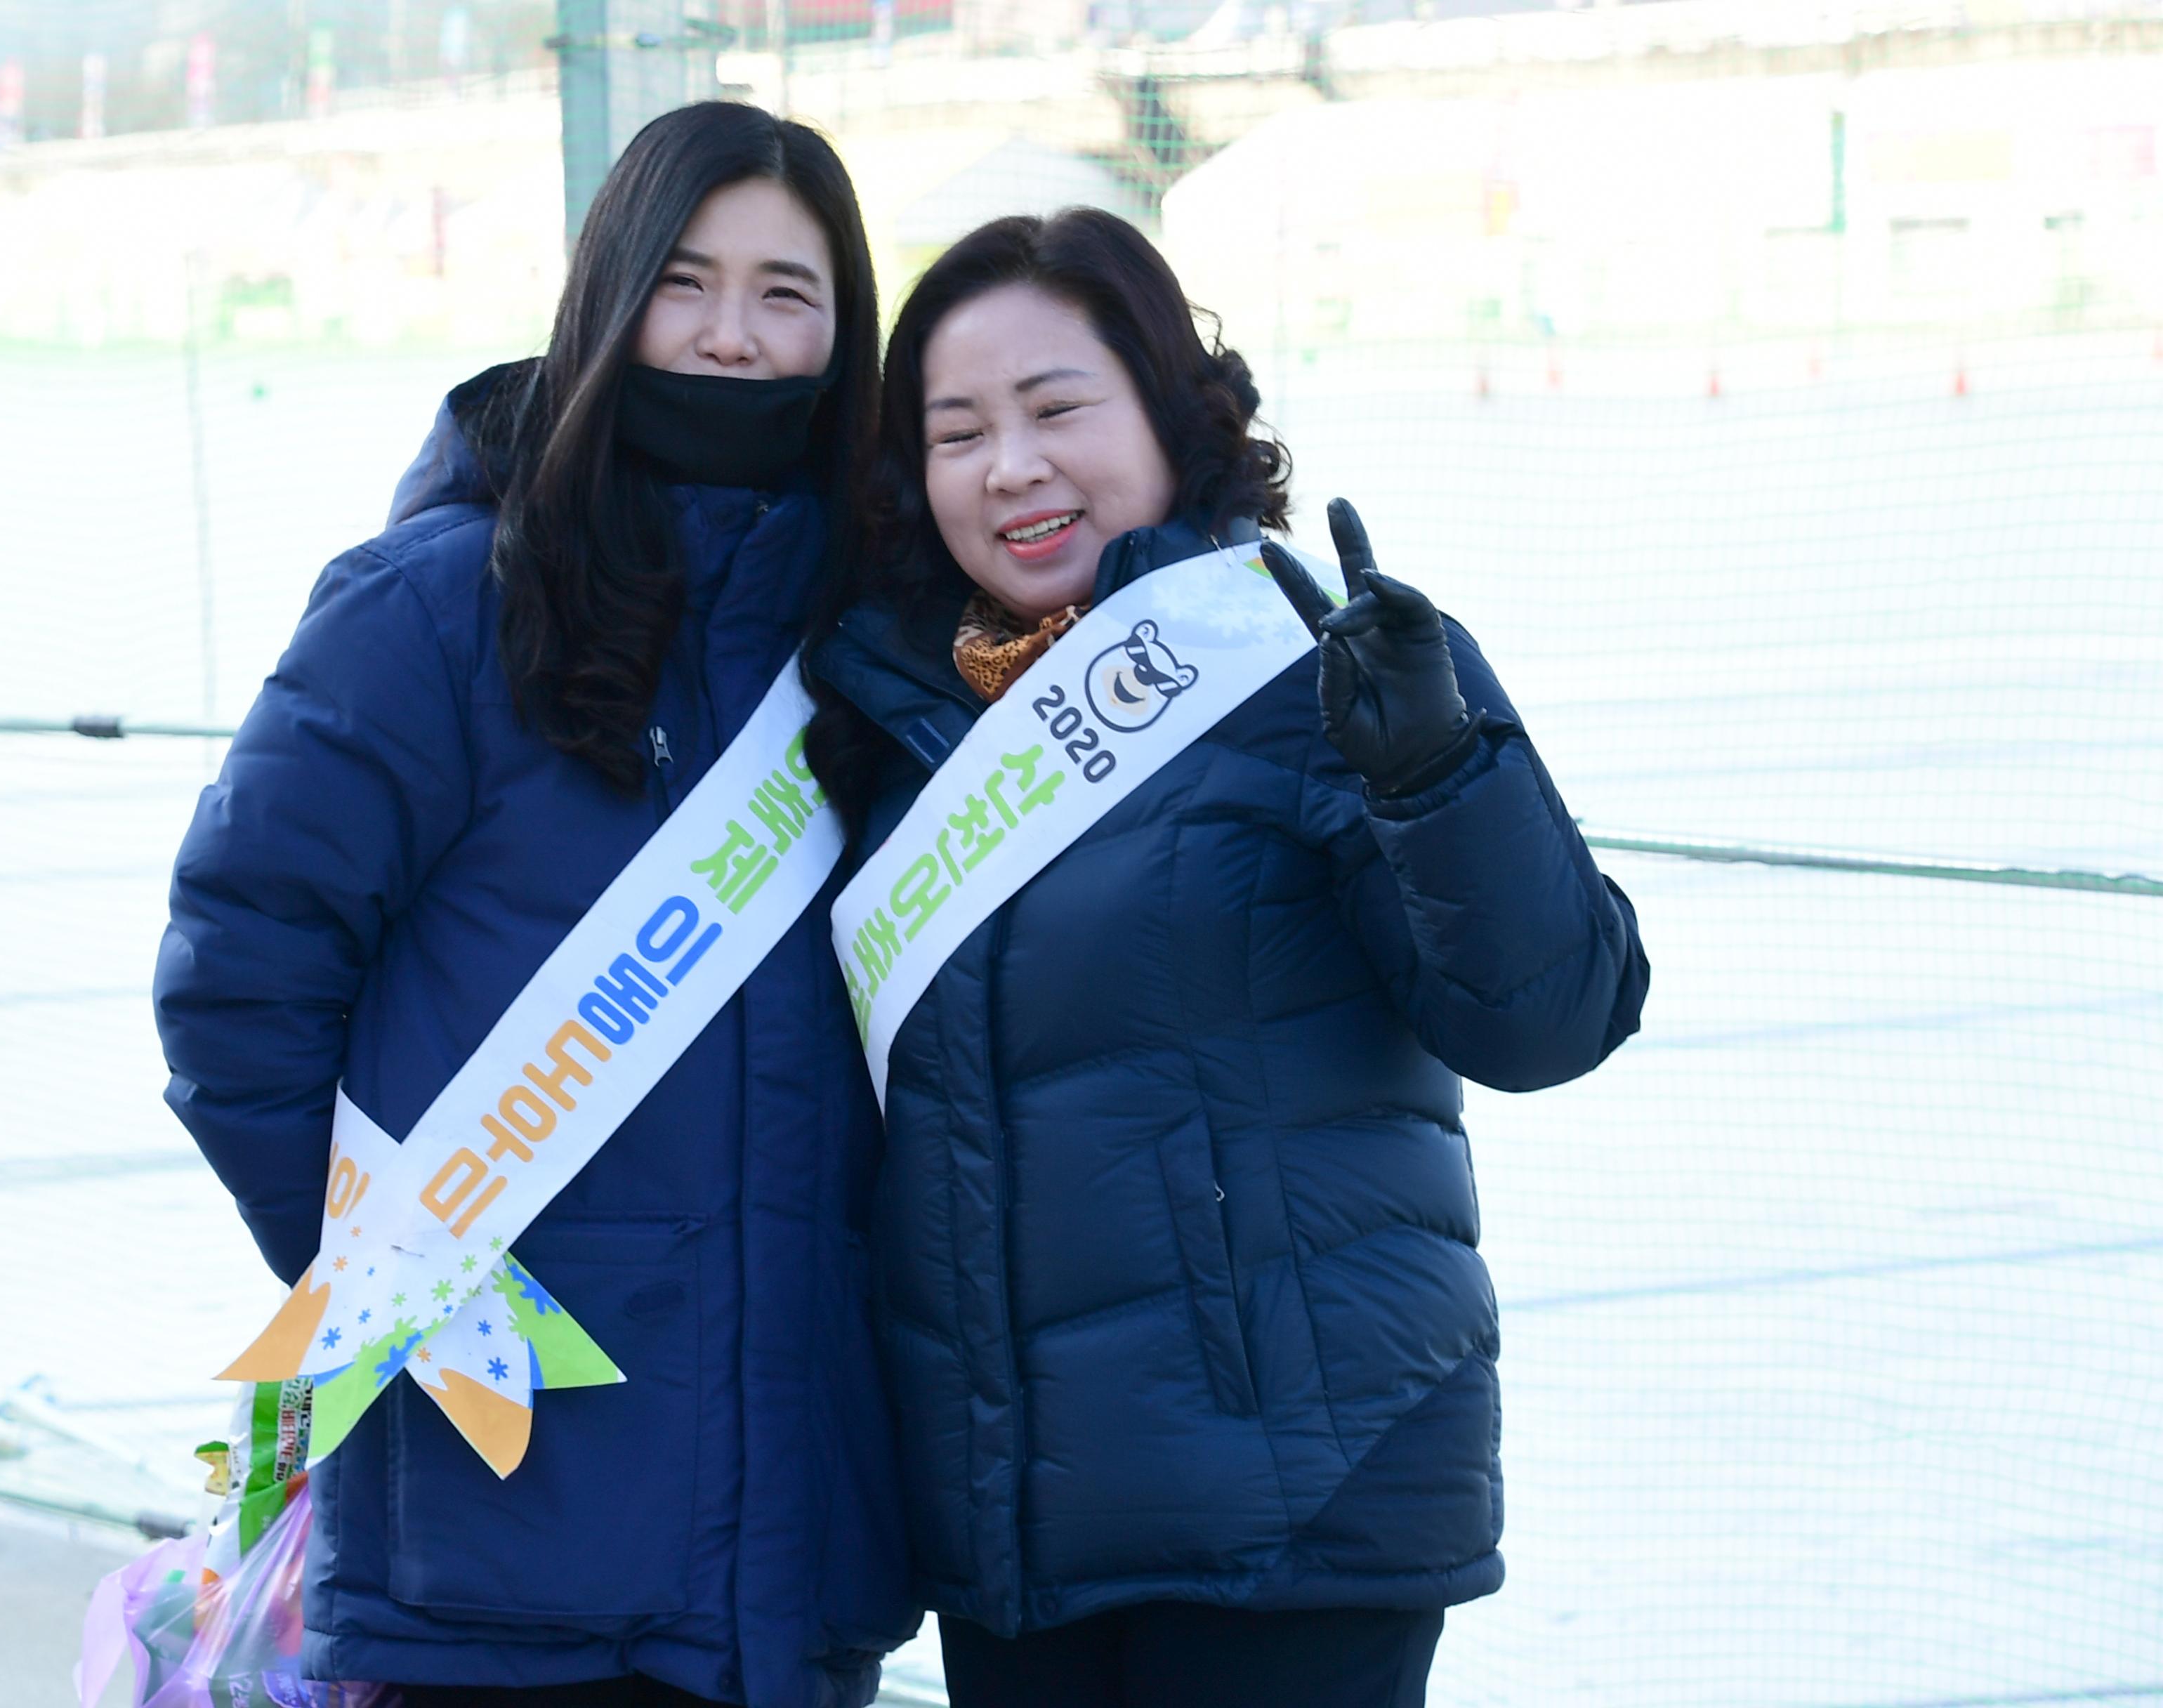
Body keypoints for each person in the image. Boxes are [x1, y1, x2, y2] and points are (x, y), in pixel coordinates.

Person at [803, 209, 1651, 1707]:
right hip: (1017, 1533)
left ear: (1173, 413)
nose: (1012, 467)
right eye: (957, 431)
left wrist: (1439, 769)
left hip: (1299, 1503)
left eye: (1059, 408)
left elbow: (1550, 1017)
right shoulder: (898, 728)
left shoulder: (1305, 655)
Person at [154, 103, 916, 1707]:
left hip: (796, 1556)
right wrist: (395, 1273)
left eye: (789, 294)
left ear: (847, 338)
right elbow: (237, 986)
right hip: (496, 1523)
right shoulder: (440, 605)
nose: (729, 336)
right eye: (685, 282)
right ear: (603, 294)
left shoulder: (883, 639)